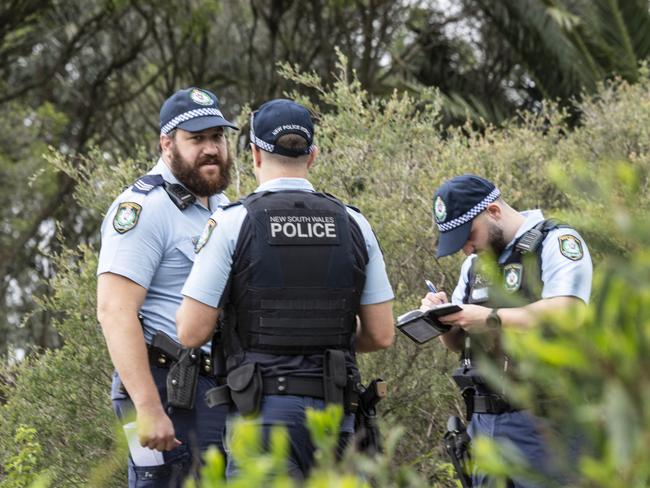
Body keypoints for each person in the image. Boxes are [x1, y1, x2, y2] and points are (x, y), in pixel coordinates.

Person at [175, 98, 395, 480]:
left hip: (261, 416)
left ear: (256, 154)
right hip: (334, 415)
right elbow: (381, 333)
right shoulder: (355, 223)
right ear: (312, 155)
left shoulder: (232, 223)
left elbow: (191, 331)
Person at [96, 87, 238, 487]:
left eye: (217, 137)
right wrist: (146, 406)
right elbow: (114, 310)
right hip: (165, 387)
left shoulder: (224, 208)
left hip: (214, 390)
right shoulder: (144, 208)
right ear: (166, 143)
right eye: (196, 139)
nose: (210, 149)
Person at [421, 174, 592, 487]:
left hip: (546, 423)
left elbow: (569, 311)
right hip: (484, 423)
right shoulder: (474, 266)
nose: (466, 248)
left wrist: (490, 318)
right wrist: (441, 317)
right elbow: (456, 344)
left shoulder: (556, 241)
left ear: (494, 212)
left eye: (468, 235)